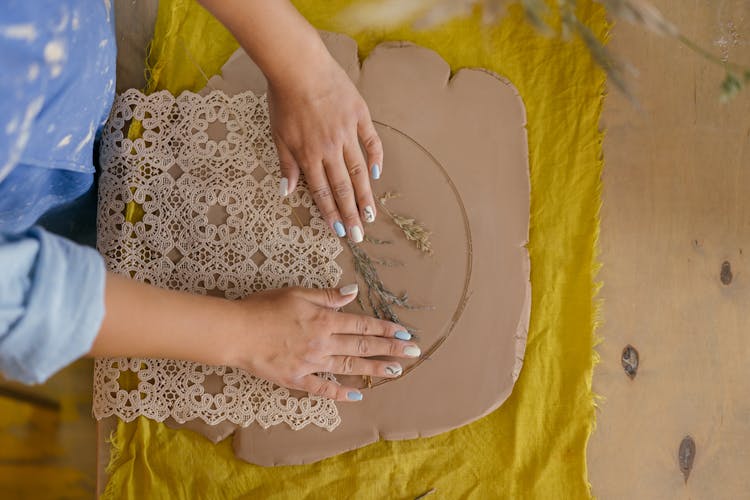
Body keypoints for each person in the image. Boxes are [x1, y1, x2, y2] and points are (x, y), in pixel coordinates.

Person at [0, 0, 420, 402]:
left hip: (79, 68)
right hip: (25, 199)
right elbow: (24, 300)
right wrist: (245, 336)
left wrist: (304, 68)